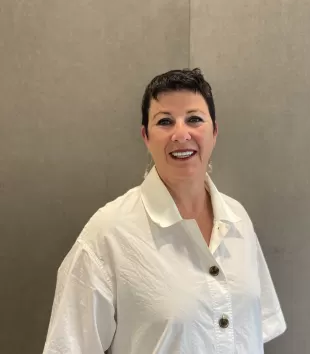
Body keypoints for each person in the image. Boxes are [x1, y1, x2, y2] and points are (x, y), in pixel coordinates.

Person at [43, 68, 286, 354]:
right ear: (146, 136)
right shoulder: (108, 233)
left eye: (194, 119)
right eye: (165, 121)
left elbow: (254, 330)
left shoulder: (237, 219)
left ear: (215, 131)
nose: (181, 134)